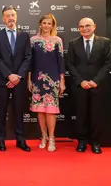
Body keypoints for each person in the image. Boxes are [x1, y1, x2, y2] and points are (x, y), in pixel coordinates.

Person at [66, 17, 111, 154]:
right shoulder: (73, 43)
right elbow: (70, 64)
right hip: (80, 86)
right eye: (81, 26)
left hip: (97, 85)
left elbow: (107, 64)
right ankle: (81, 142)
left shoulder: (104, 42)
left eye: (87, 26)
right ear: (78, 28)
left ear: (94, 26)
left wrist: (95, 81)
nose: (84, 28)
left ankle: (95, 142)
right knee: (81, 114)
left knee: (96, 114)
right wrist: (81, 81)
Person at [0, 5, 32, 152]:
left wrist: (18, 76)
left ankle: (21, 140)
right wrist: (9, 75)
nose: (10, 18)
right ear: (3, 19)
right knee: (1, 112)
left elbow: (28, 58)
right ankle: (1, 140)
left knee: (19, 111)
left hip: (19, 82)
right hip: (2, 81)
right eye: (7, 16)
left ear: (16, 17)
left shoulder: (24, 36)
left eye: (13, 15)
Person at [28, 14, 65, 152]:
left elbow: (61, 61)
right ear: (40, 24)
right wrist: (29, 80)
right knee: (40, 110)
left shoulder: (57, 40)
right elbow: (30, 62)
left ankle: (52, 137)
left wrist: (62, 81)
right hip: (37, 79)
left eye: (49, 23)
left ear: (52, 25)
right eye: (44, 23)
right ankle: (43, 136)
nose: (46, 26)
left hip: (53, 80)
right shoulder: (33, 40)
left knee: (50, 111)